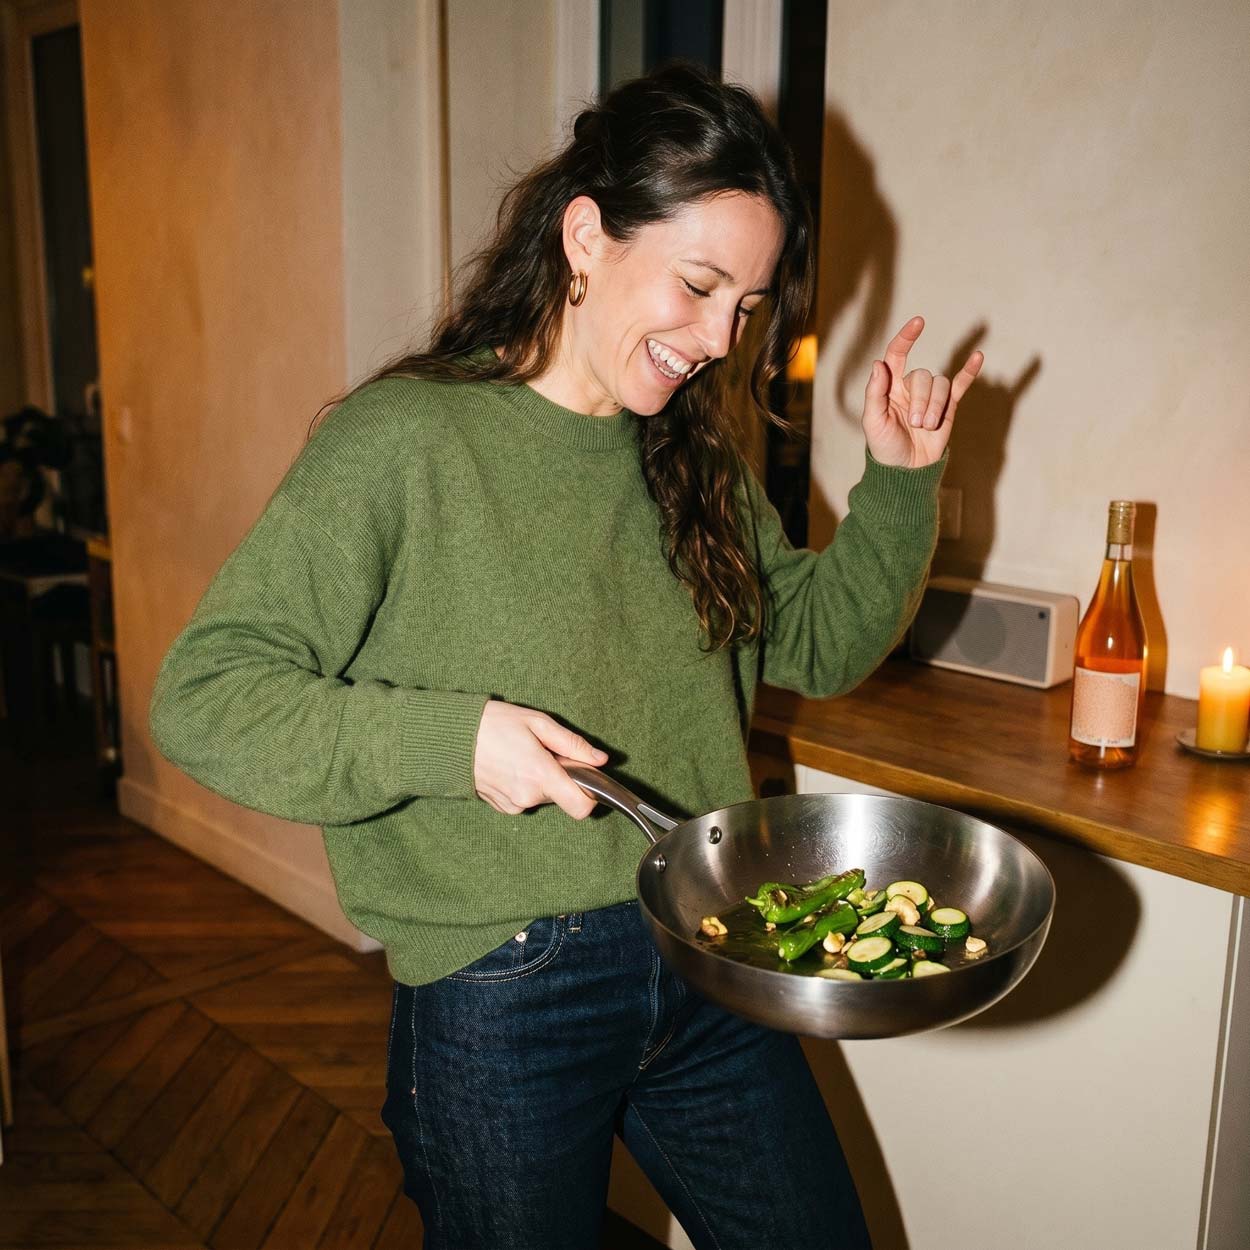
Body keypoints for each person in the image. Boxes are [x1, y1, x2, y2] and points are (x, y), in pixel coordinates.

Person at [150, 63, 981, 1250]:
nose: (717, 339)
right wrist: (456, 739)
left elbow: (821, 641)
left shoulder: (693, 458)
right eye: (698, 285)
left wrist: (898, 480)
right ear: (584, 236)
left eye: (745, 306)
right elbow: (205, 697)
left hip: (710, 944)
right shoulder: (405, 440)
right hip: (504, 989)